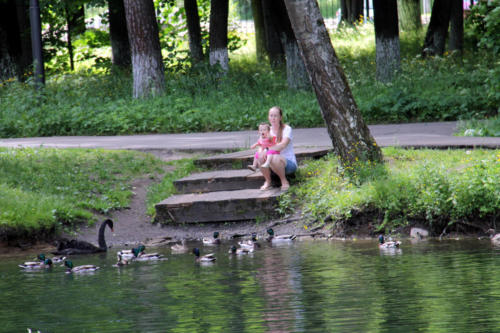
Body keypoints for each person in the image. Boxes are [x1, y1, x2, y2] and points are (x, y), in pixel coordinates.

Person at [259, 106, 297, 191]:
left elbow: (282, 145)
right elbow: (262, 145)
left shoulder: (287, 129)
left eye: (275, 116)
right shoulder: (267, 130)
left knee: (275, 157)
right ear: (268, 117)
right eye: (271, 115)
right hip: (272, 164)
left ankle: (284, 181)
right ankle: (268, 181)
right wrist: (261, 152)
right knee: (259, 155)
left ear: (280, 117)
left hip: (288, 165)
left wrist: (267, 150)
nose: (273, 118)